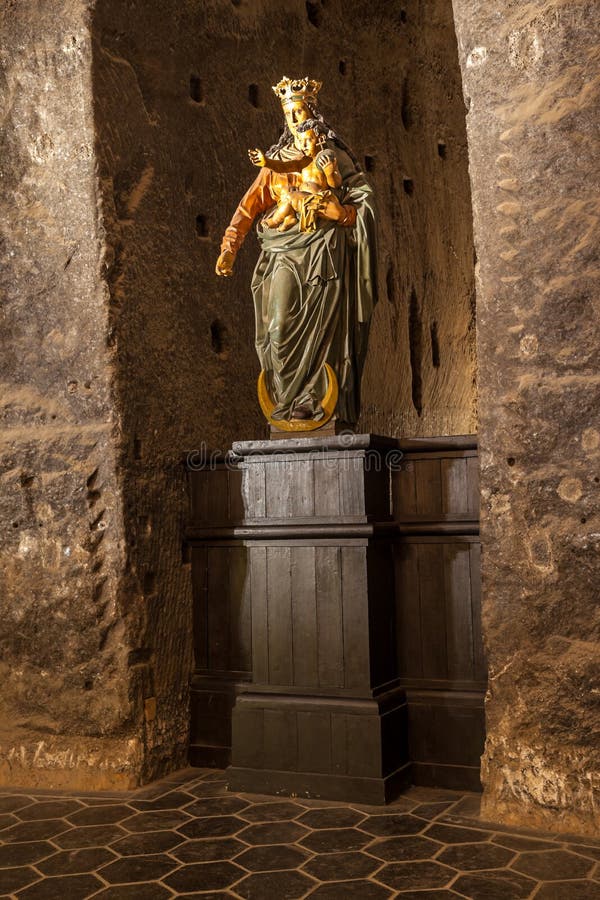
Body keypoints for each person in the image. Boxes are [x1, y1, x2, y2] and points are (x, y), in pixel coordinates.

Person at [215, 76, 377, 426]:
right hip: (284, 253)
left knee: (323, 330)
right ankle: (286, 398)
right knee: (278, 325)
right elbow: (249, 206)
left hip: (323, 255)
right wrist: (230, 246)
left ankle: (310, 399)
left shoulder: (331, 155)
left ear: (312, 114)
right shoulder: (276, 162)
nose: (295, 118)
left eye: (300, 111)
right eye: (289, 113)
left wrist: (344, 214)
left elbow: (361, 202)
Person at [248, 119, 343, 233]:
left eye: (308, 140)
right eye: (301, 141)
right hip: (303, 196)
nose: (303, 145)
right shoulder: (303, 161)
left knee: (290, 197)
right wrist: (267, 162)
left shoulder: (325, 158)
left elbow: (336, 184)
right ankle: (290, 218)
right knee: (286, 192)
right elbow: (284, 167)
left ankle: (275, 220)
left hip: (318, 199)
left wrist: (330, 172)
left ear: (321, 138)